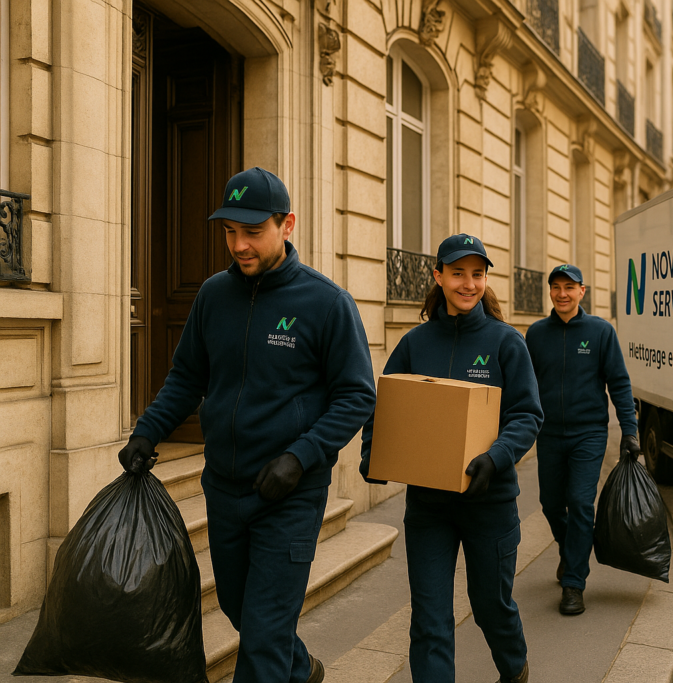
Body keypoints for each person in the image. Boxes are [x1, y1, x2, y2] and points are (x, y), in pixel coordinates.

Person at [117, 167, 376, 683]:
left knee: (261, 638)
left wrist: (300, 456)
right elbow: (188, 375)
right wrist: (147, 430)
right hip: (225, 487)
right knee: (241, 609)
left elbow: (357, 396)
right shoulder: (214, 296)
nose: (238, 244)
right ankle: (299, 669)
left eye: (252, 231)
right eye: (229, 231)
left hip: (291, 494)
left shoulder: (325, 303)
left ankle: (280, 665)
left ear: (288, 225)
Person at [359, 234, 541, 683]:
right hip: (429, 506)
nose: (468, 283)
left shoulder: (505, 343)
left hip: (490, 503)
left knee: (491, 608)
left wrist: (495, 457)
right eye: (458, 273)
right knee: (430, 618)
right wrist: (374, 455)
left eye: (477, 274)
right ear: (438, 276)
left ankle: (514, 669)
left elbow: (527, 415)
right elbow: (387, 406)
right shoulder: (414, 344)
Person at [525, 263, 640, 615]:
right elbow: (524, 384)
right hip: (548, 433)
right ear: (550, 292)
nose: (562, 293)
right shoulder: (536, 334)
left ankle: (574, 583)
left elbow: (619, 383)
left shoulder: (601, 332)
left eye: (569, 287)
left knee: (579, 502)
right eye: (556, 287)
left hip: (588, 433)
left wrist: (630, 430)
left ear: (582, 292)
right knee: (549, 502)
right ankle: (571, 548)